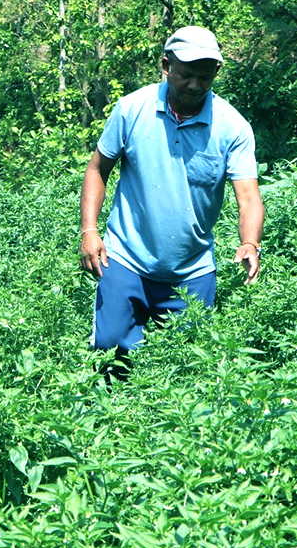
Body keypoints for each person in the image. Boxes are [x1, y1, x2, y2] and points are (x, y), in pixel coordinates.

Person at [79, 26, 264, 376]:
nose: (195, 85)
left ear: (216, 75)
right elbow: (97, 170)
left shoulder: (232, 127)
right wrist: (90, 230)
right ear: (166, 65)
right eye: (186, 75)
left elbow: (249, 197)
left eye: (204, 77)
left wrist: (250, 243)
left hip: (191, 270)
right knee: (107, 353)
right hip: (125, 258)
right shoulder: (131, 109)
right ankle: (116, 421)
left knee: (185, 369)